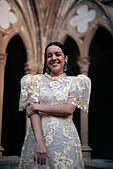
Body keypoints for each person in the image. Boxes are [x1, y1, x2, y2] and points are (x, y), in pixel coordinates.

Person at [19, 41, 91, 169]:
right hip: (38, 138)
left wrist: (37, 106)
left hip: (65, 141)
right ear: (46, 59)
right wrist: (39, 141)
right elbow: (32, 113)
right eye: (49, 55)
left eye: (57, 54)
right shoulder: (34, 81)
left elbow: (69, 109)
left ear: (66, 58)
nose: (53, 58)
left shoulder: (75, 82)